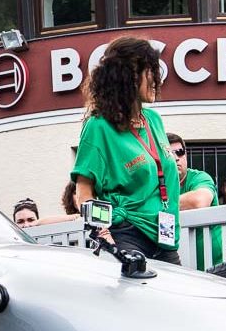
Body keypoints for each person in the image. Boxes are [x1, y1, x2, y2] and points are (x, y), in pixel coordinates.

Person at [72, 36, 180, 265]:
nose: (156, 79)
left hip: (164, 237)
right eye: (150, 70)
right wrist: (104, 234)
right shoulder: (98, 126)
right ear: (128, 75)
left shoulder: (153, 120)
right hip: (126, 234)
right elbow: (84, 192)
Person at [168, 134, 226, 271]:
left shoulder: (199, 177)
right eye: (169, 154)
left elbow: (199, 201)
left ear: (186, 155)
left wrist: (159, 204)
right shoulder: (156, 185)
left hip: (219, 267)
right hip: (181, 271)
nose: (176, 158)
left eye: (180, 152)